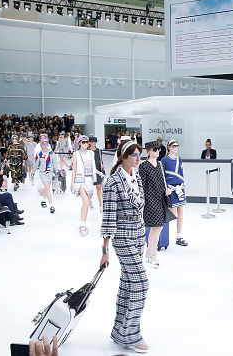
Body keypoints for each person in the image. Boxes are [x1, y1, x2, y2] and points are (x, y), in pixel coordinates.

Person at [100, 140, 149, 354]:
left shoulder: (135, 177)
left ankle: (120, 331)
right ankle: (130, 334)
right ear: (123, 157)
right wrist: (104, 250)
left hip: (138, 233)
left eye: (139, 154)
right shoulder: (112, 182)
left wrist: (143, 235)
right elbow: (108, 217)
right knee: (140, 283)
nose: (138, 158)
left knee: (129, 282)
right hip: (122, 236)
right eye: (134, 155)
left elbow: (140, 206)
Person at [140, 141, 172, 268]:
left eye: (158, 149)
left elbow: (162, 180)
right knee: (157, 226)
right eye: (154, 149)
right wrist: (142, 202)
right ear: (148, 151)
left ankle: (150, 251)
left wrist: (167, 190)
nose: (157, 152)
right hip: (149, 199)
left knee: (157, 227)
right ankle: (151, 253)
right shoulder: (144, 166)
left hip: (160, 197)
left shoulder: (160, 164)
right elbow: (141, 185)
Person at [71, 135, 101, 236]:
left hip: (89, 180)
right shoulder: (76, 154)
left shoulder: (91, 153)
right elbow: (74, 168)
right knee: (86, 202)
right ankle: (82, 225)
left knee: (87, 203)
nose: (85, 144)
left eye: (86, 142)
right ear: (79, 143)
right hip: (79, 180)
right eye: (83, 142)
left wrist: (99, 173)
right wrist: (72, 183)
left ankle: (83, 223)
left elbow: (93, 167)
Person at [162, 139, 188, 246]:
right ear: (168, 147)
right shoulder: (164, 160)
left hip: (179, 188)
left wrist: (183, 186)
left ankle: (179, 236)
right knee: (171, 214)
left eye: (177, 146)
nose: (176, 148)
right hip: (170, 189)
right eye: (173, 146)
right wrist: (165, 188)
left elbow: (181, 173)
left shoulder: (179, 159)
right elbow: (162, 176)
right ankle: (163, 236)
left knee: (180, 211)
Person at [31, 140, 59, 214]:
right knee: (47, 187)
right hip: (42, 173)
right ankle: (51, 205)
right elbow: (36, 164)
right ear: (41, 145)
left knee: (47, 188)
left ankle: (43, 200)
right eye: (43, 144)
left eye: (46, 144)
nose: (45, 145)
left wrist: (57, 172)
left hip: (50, 172)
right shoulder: (39, 154)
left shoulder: (51, 153)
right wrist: (32, 173)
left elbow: (55, 163)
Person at [90, 136, 105, 213]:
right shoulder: (88, 151)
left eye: (95, 142)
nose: (94, 143)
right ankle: (89, 201)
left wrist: (102, 165)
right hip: (90, 170)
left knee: (98, 187)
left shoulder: (99, 150)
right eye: (92, 142)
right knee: (90, 188)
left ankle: (101, 204)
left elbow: (100, 159)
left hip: (98, 169)